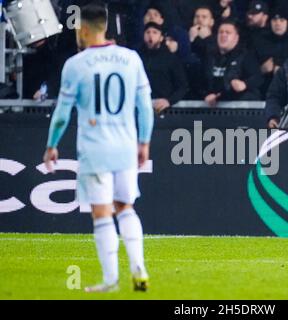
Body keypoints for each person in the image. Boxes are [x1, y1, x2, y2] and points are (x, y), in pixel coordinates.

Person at [43, 3, 154, 292]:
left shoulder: (75, 65)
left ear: (83, 29)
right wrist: (144, 142)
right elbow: (145, 107)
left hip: (95, 149)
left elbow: (62, 114)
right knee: (126, 207)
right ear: (105, 26)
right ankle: (139, 268)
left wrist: (51, 145)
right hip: (126, 146)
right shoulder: (131, 59)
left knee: (102, 213)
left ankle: (110, 280)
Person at [202, 19, 263, 106]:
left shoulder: (245, 56)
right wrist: (206, 95)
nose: (223, 35)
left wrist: (245, 84)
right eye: (221, 32)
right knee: (197, 120)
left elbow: (258, 77)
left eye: (228, 32)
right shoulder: (209, 56)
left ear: (236, 37)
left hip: (238, 110)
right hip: (211, 109)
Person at [138, 22, 189, 113]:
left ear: (161, 37)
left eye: (154, 32)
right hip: (140, 107)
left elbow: (183, 86)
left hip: (164, 109)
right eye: (148, 32)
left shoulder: (171, 59)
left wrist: (169, 101)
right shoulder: (136, 58)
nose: (150, 35)